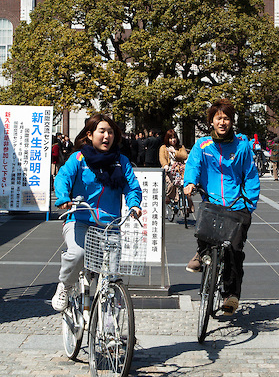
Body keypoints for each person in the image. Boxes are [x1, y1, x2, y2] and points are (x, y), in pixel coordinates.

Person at [51, 113, 143, 311]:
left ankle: (109, 327)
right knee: (77, 255)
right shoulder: (79, 158)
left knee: (111, 275)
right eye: (102, 131)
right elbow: (62, 177)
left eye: (110, 132)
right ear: (90, 135)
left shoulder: (122, 161)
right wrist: (63, 198)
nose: (106, 136)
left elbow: (132, 187)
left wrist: (134, 204)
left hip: (110, 224)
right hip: (79, 218)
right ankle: (65, 285)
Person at [183, 99, 260, 314]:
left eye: (226, 118)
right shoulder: (203, 145)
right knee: (204, 233)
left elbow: (251, 174)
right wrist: (189, 182)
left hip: (237, 204)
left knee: (234, 250)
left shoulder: (242, 145)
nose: (223, 122)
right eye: (219, 118)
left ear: (231, 121)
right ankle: (202, 253)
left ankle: (231, 294)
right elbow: (193, 165)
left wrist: (249, 202)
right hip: (212, 201)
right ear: (211, 122)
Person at [159, 129, 190, 219]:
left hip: (180, 170)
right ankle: (169, 198)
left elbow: (184, 156)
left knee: (185, 184)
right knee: (171, 184)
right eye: (171, 138)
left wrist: (174, 152)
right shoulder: (163, 148)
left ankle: (187, 205)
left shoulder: (180, 147)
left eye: (174, 138)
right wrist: (165, 165)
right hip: (169, 170)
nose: (173, 140)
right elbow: (162, 158)